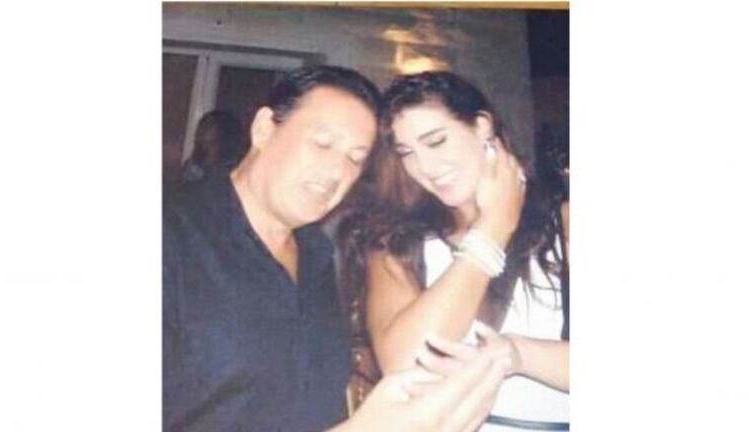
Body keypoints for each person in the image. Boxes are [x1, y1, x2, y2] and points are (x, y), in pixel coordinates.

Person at [163, 66, 513, 432]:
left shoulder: (315, 254)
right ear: (264, 128)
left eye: (355, 158)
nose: (336, 170)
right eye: (322, 143)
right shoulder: (168, 237)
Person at [337, 71, 569, 431]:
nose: (425, 168)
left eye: (436, 141)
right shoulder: (395, 243)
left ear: (482, 126)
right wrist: (492, 230)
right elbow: (408, 364)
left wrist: (517, 353)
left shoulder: (563, 222)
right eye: (407, 153)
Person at [180, 109, 247, 184]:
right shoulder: (192, 169)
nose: (203, 149)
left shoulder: (240, 173)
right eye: (200, 143)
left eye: (210, 143)